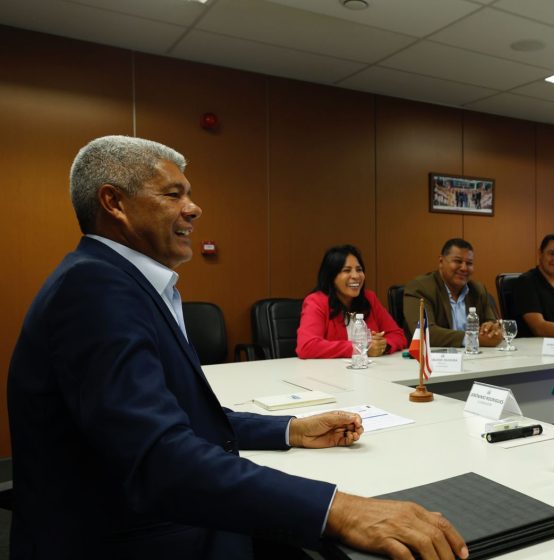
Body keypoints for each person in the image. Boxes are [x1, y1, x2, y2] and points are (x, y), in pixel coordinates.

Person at [7, 136, 467, 560]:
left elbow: (176, 417)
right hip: (134, 539)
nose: (194, 208)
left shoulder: (115, 280)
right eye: (174, 194)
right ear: (114, 203)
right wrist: (340, 509)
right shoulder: (95, 290)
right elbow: (160, 459)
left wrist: (292, 430)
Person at [296, 245, 406, 359]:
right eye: (347, 270)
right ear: (331, 277)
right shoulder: (316, 302)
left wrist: (383, 346)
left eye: (359, 270)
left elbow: (398, 335)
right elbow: (307, 346)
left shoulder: (369, 298)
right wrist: (360, 348)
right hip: (330, 373)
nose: (356, 276)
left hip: (370, 372)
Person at [403, 238, 502, 348]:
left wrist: (492, 329)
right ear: (441, 262)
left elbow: (493, 326)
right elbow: (424, 332)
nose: (464, 268)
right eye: (457, 261)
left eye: (469, 263)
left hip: (474, 358)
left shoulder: (477, 289)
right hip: (433, 361)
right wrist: (472, 339)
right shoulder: (421, 288)